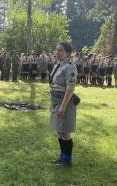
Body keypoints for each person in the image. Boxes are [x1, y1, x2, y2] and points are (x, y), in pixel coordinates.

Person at [49, 40, 77, 168]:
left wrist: (63, 106)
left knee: (65, 132)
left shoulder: (70, 67)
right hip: (56, 101)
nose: (57, 52)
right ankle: (62, 157)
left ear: (68, 53)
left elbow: (70, 88)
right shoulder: (58, 65)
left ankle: (67, 160)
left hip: (64, 102)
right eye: (57, 49)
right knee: (59, 131)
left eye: (60, 50)